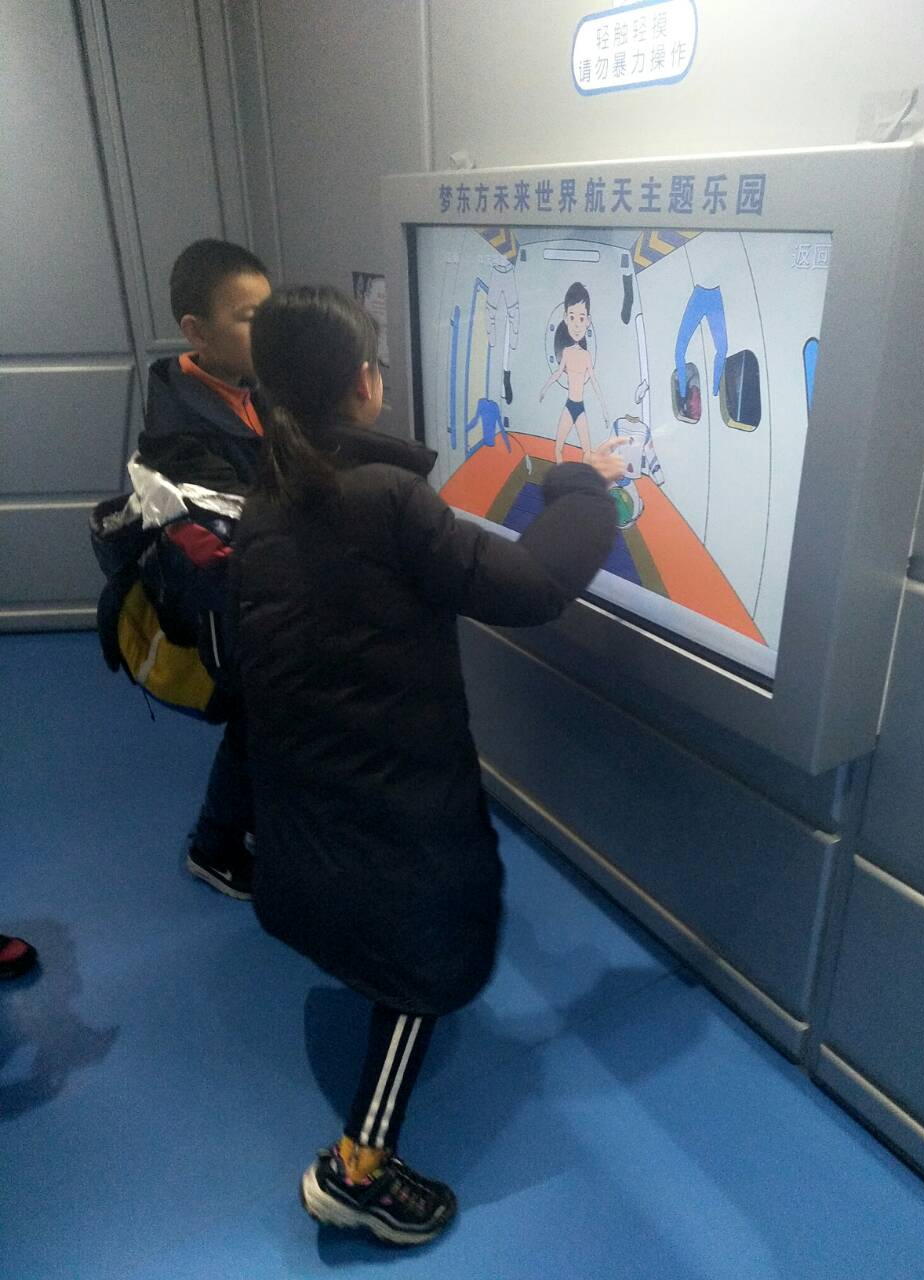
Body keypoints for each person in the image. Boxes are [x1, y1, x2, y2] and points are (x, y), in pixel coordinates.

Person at [232, 285, 626, 1246]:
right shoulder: (384, 498)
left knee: (374, 914)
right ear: (364, 384)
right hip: (393, 789)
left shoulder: (269, 495)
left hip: (313, 778)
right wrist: (581, 489)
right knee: (421, 960)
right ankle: (356, 1171)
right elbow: (530, 586)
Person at [140, 239, 271, 899]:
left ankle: (257, 822)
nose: (266, 330)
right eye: (248, 318)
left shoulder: (248, 388)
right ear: (196, 331)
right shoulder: (180, 427)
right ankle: (213, 848)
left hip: (259, 590)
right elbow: (240, 521)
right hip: (226, 597)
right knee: (255, 719)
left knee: (273, 717)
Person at [540, 281, 609, 464]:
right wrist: (544, 389)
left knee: (587, 452)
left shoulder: (586, 355)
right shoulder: (567, 352)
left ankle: (581, 480)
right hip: (569, 406)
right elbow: (557, 373)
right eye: (572, 318)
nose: (577, 325)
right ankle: (561, 478)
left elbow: (594, 381)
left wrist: (604, 409)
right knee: (558, 448)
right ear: (565, 318)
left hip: (580, 407)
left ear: (588, 321)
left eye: (581, 318)